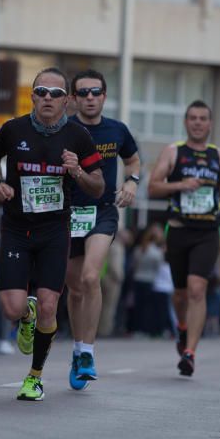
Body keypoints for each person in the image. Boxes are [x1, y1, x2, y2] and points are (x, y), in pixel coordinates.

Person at [0, 67, 103, 401]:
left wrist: (76, 170)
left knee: (50, 305)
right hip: (17, 228)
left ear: (68, 100)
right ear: (33, 97)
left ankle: (34, 377)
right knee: (11, 307)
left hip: (54, 230)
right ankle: (25, 316)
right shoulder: (13, 129)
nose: (47, 99)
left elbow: (98, 187)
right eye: (41, 92)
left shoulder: (78, 137)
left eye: (56, 94)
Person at [147, 100, 220, 376]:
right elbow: (153, 187)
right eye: (193, 118)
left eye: (203, 118)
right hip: (179, 230)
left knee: (197, 289)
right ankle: (182, 327)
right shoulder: (173, 152)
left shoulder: (219, 156)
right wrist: (181, 184)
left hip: (208, 232)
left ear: (210, 123)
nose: (198, 123)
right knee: (179, 295)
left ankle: (190, 353)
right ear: (186, 122)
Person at [63, 69, 140, 390]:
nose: (90, 98)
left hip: (102, 212)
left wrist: (131, 183)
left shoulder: (117, 130)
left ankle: (88, 353)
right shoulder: (64, 130)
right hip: (66, 213)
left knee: (91, 277)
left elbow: (134, 161)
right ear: (73, 99)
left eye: (96, 92)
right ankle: (78, 347)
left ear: (105, 96)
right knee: (76, 288)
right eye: (83, 93)